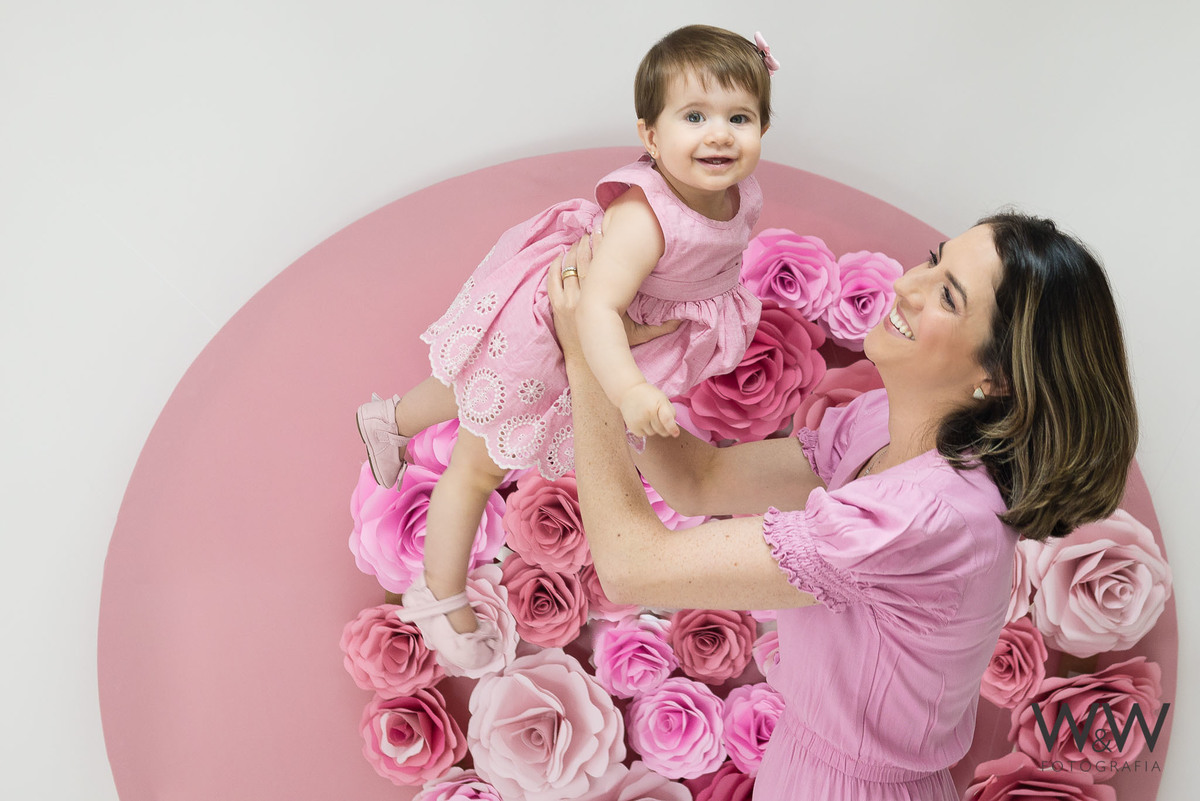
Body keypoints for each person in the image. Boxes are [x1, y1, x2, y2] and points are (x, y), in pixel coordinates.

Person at [549, 212, 1137, 800]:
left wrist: (585, 360)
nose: (908, 285)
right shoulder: (881, 423)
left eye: (948, 296)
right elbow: (702, 478)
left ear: (999, 376)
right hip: (800, 765)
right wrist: (614, 359)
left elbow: (633, 567)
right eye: (934, 261)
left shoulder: (925, 518)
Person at [355, 24, 778, 675]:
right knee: (479, 462)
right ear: (651, 136)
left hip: (606, 330)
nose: (719, 133)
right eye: (695, 116)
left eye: (739, 117)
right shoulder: (646, 219)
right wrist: (630, 390)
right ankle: (438, 595)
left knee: (478, 392)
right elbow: (597, 310)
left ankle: (387, 419)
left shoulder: (736, 193)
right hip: (564, 321)